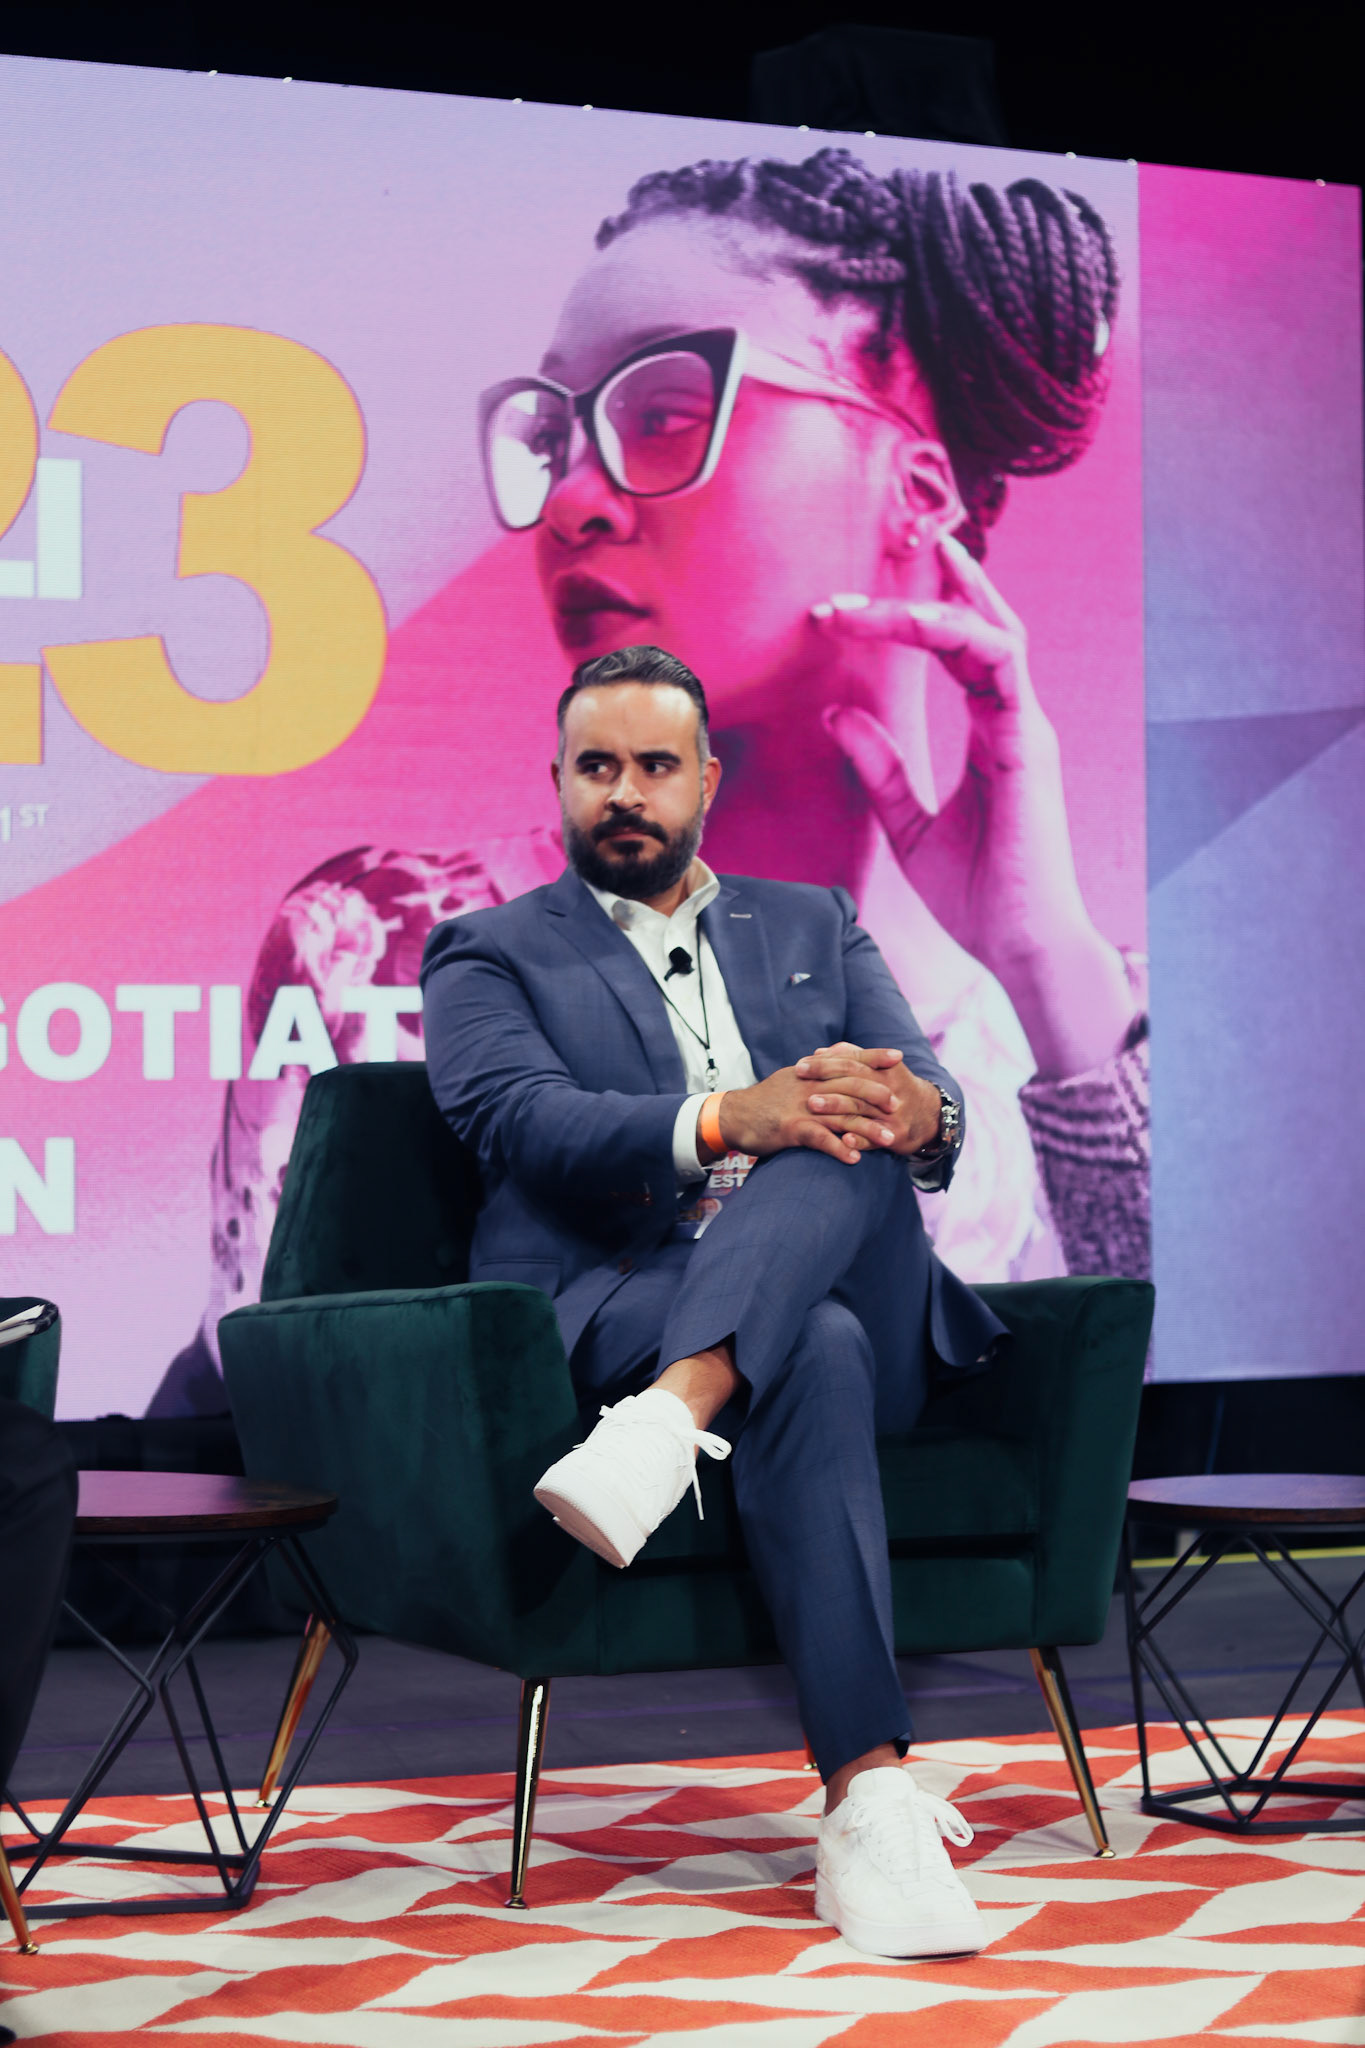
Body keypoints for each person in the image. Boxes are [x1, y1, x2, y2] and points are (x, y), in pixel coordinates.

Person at [152, 145, 1148, 1417]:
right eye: (553, 433)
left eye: (664, 411)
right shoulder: (384, 945)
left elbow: (1135, 1420)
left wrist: (1043, 969)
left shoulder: (1085, 1033)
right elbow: (292, 1405)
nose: (572, 498)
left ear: (917, 490)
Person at [423, 643, 1006, 1959]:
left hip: (832, 1280)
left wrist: (915, 1108)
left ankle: (670, 1419)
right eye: (596, 766)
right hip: (629, 1291)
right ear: (558, 779)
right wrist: (733, 1116)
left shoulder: (814, 921)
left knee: (853, 1123)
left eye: (654, 765)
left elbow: (925, 1092)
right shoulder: (488, 951)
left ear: (707, 780)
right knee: (819, 1337)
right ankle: (867, 1799)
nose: (624, 791)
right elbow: (524, 1122)